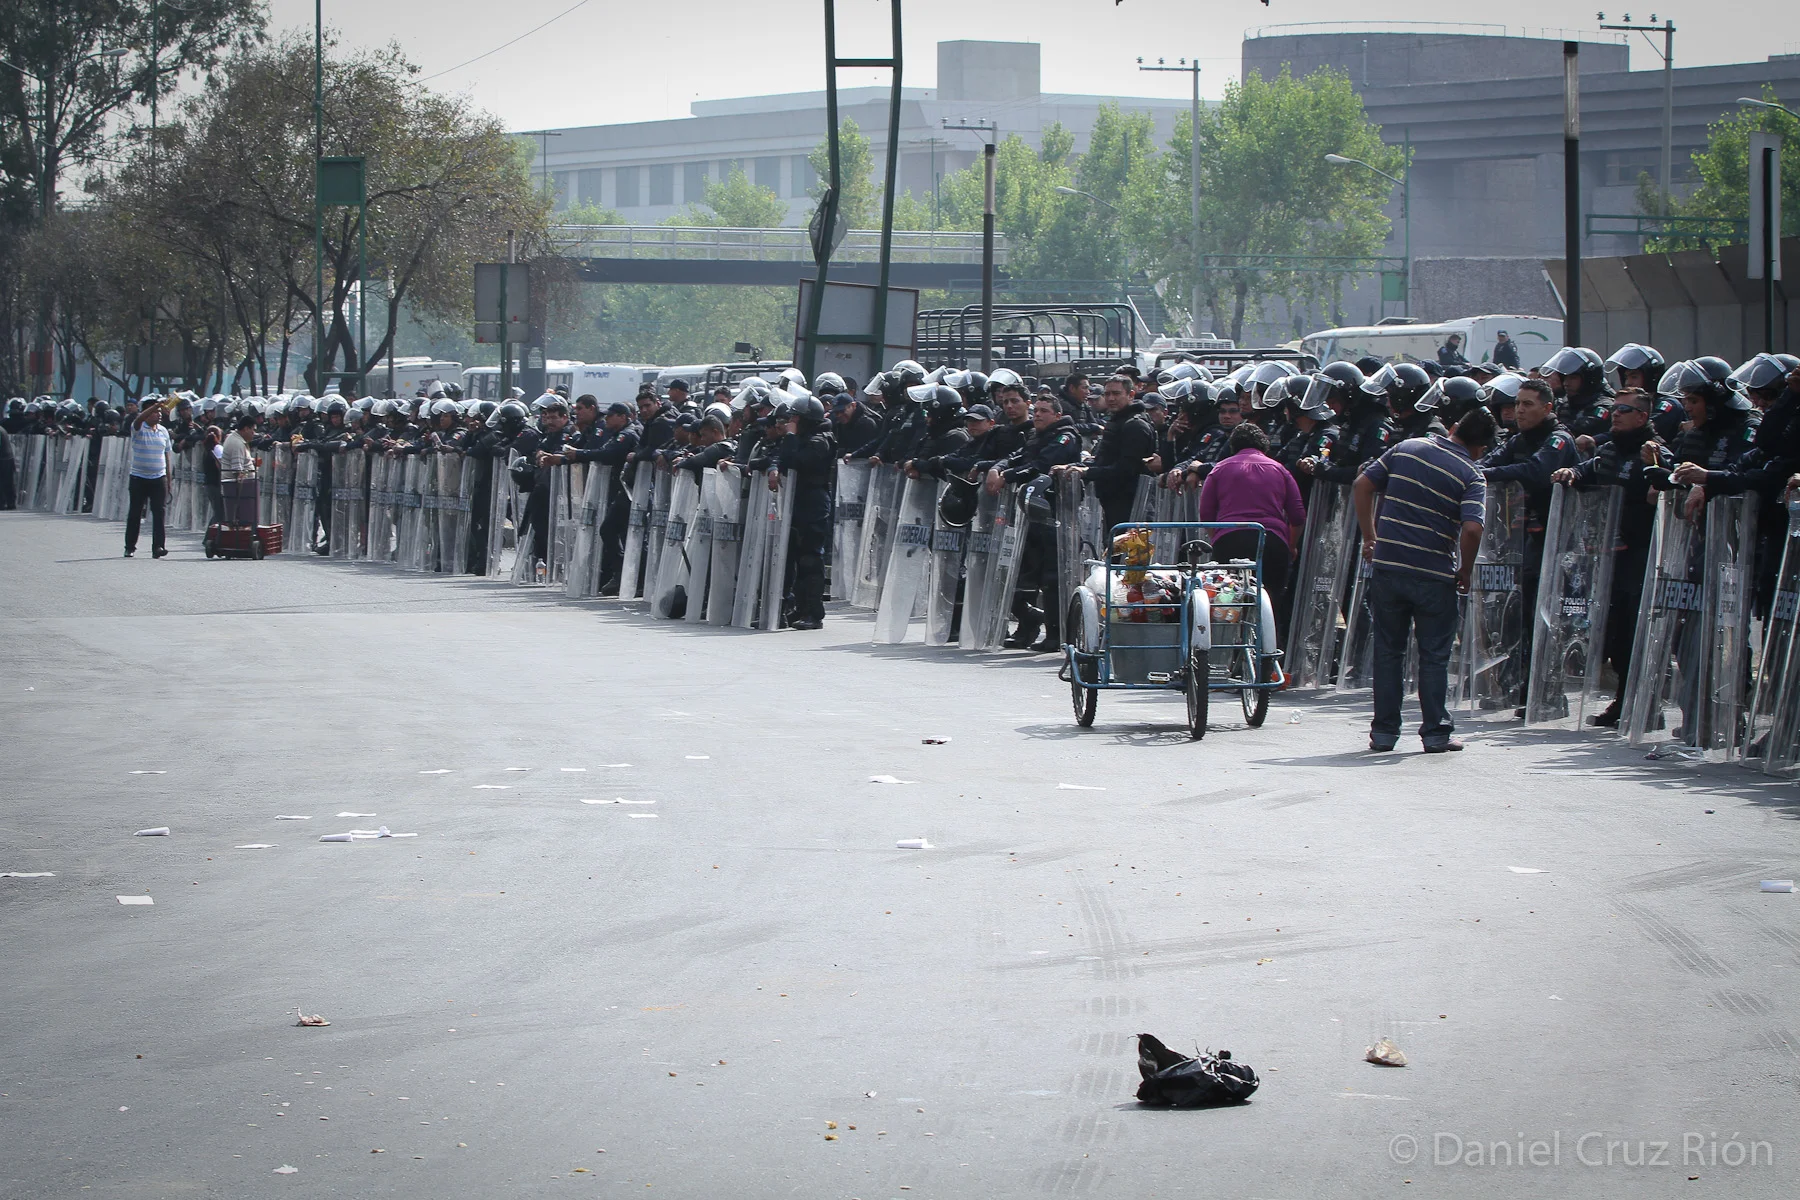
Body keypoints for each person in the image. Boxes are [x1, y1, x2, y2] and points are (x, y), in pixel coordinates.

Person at [1353, 407, 1496, 753]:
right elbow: (1473, 528)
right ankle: (1436, 734)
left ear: (1454, 427)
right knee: (1433, 656)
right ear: (1482, 447)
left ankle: (1384, 734)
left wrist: (1370, 538)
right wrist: (1465, 568)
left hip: (1388, 568)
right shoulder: (1472, 475)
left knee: (1389, 651)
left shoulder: (1406, 448)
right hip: (1434, 575)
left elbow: (1362, 484)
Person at [1550, 389, 1672, 727]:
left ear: (1642, 417)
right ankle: (1622, 699)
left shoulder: (1654, 450)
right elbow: (1592, 468)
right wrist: (1572, 473)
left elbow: (1671, 481)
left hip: (1642, 556)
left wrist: (1656, 468)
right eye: (1614, 409)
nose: (1614, 414)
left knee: (1637, 630)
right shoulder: (1609, 450)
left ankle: (1648, 704)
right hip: (1607, 556)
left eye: (1623, 410)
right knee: (1615, 632)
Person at [1478, 377, 1579, 716]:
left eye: (1528, 405)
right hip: (1519, 543)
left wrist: (1491, 475)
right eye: (1517, 404)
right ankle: (1521, 689)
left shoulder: (1558, 439)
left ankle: (1550, 696)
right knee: (1515, 619)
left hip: (1555, 543)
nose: (1519, 410)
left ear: (1548, 408)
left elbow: (1537, 470)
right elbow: (1485, 465)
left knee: (1546, 621)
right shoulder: (1517, 439)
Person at [1197, 421, 1305, 648]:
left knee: (1228, 600)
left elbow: (1206, 513)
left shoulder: (1219, 469)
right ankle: (1271, 659)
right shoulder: (1279, 469)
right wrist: (1291, 546)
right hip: (1272, 542)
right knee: (1272, 600)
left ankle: (1229, 654)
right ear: (1264, 446)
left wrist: (1217, 537)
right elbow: (1297, 516)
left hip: (1229, 541)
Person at [125, 395, 175, 558]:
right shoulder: (138, 428)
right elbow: (138, 420)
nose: (159, 414)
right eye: (155, 412)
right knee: (135, 513)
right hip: (139, 477)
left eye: (160, 411)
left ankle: (158, 547)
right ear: (147, 413)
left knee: (159, 513)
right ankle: (130, 546)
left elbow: (167, 456)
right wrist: (156, 405)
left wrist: (168, 480)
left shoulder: (163, 431)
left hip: (158, 477)